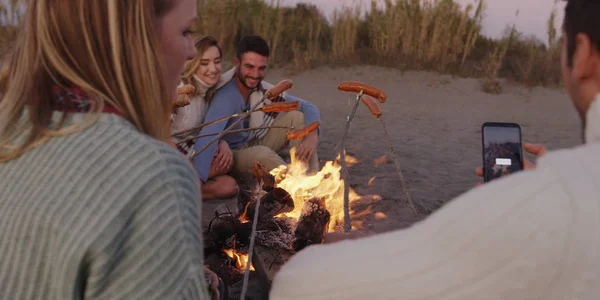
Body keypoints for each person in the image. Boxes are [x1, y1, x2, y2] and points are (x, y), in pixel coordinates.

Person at [268, 1, 600, 299]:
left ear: (581, 53)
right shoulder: (572, 185)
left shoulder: (560, 197)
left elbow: (298, 286)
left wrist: (542, 192)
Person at [0, 0, 219, 299]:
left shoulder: (14, 127)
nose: (192, 50)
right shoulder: (154, 177)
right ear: (136, 38)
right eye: (186, 30)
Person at [191, 35, 321, 186]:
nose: (255, 74)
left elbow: (308, 107)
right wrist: (197, 181)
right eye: (249, 67)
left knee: (297, 118)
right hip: (231, 154)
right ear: (237, 63)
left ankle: (310, 177)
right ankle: (295, 187)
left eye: (261, 68)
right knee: (262, 154)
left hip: (253, 139)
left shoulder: (262, 89)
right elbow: (209, 136)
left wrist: (312, 137)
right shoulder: (226, 95)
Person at [171, 36, 237, 200]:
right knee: (217, 165)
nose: (213, 69)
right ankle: (175, 188)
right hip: (169, 152)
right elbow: (156, 131)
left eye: (217, 61)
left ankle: (182, 191)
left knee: (229, 185)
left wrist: (222, 142)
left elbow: (204, 130)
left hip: (189, 150)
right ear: (193, 64)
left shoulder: (209, 92)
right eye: (205, 63)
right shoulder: (180, 88)